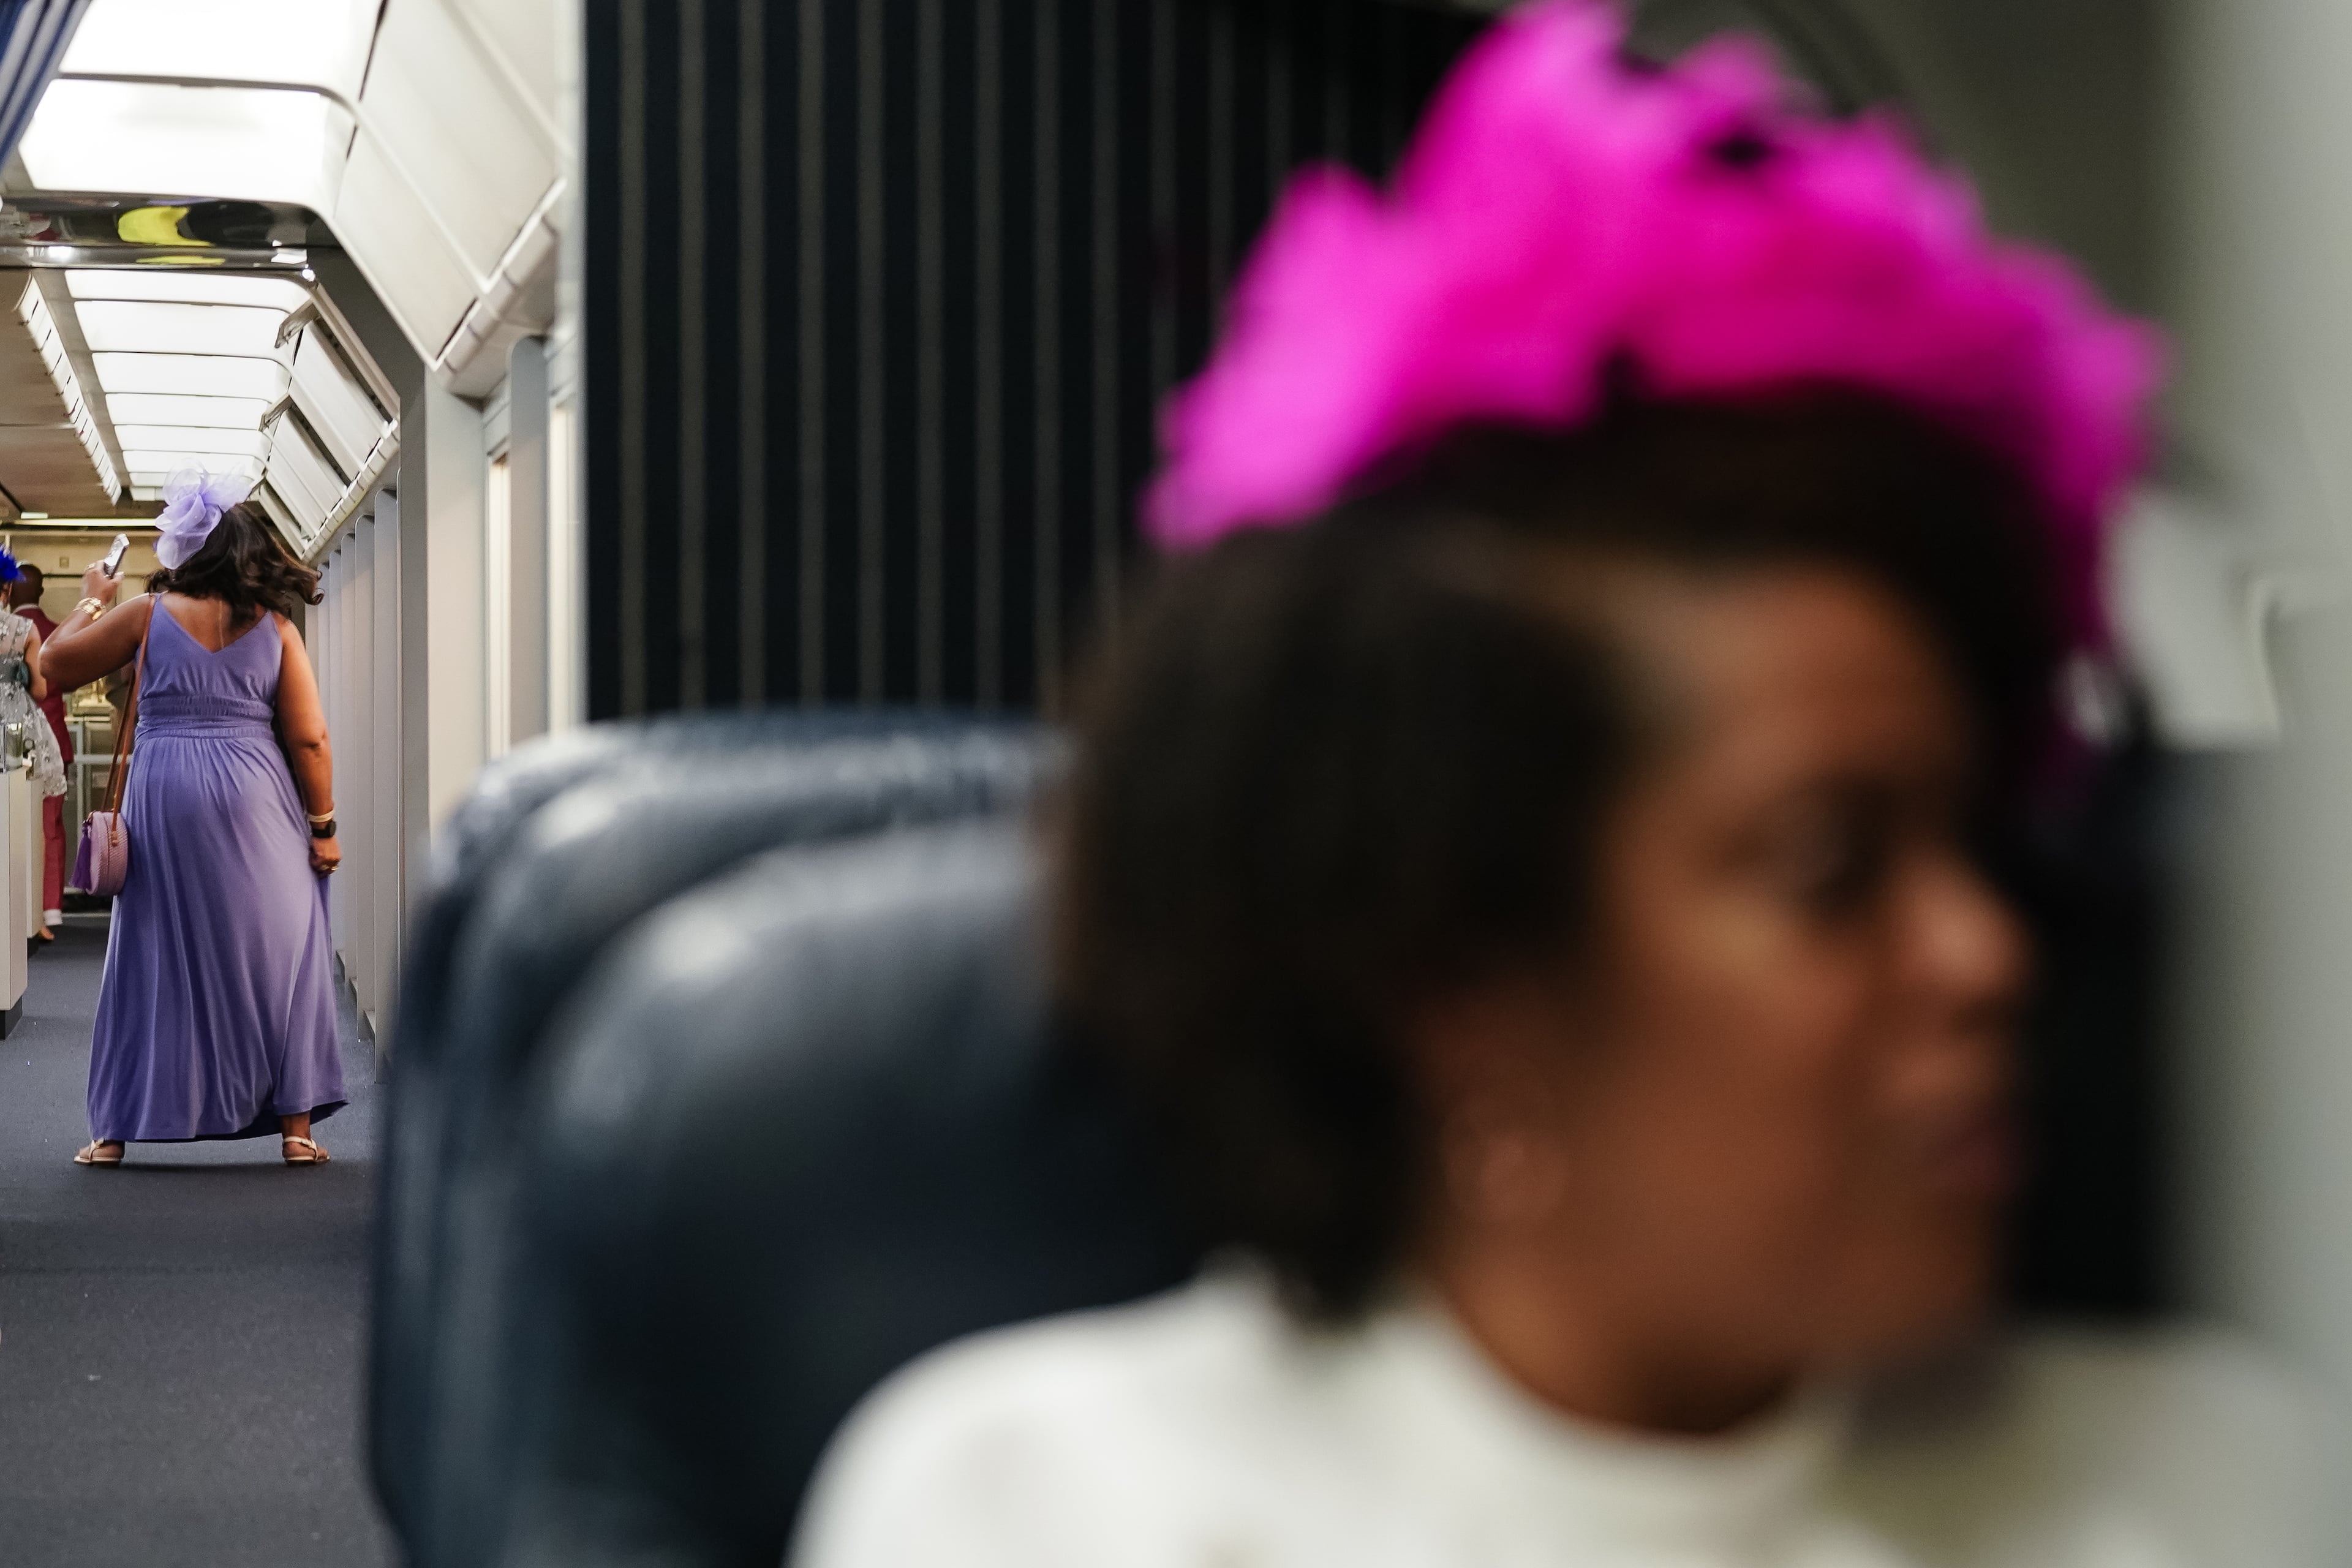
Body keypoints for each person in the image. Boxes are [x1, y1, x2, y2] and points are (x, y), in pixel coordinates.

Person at [791, 7, 2319, 1566]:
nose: (1982, 955)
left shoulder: (2210, 1488)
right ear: (1459, 976)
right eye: (1830, 869)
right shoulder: (1042, 1506)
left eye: (1973, 841)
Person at [45, 472, 344, 1168]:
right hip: (256, 794)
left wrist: (92, 603)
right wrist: (323, 825)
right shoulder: (274, 627)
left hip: (166, 792)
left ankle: (114, 1131)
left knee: (150, 950)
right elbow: (310, 738)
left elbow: (53, 666)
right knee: (281, 946)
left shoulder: (147, 614)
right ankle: (295, 1129)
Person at [12, 561, 73, 940]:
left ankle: (20, 905)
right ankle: (51, 908)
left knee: (17, 819)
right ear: (41, 592)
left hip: (15, 738)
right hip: (53, 740)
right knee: (51, 825)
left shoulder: (10, 631)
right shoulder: (54, 632)